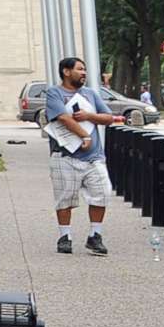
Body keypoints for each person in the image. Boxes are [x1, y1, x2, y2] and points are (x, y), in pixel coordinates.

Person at [44, 56, 125, 254]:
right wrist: (84, 135)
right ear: (66, 71)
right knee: (65, 198)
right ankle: (65, 236)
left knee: (102, 193)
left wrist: (89, 116)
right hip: (64, 157)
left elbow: (107, 118)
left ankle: (94, 236)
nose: (84, 73)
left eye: (85, 70)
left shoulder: (90, 94)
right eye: (80, 69)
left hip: (93, 157)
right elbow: (62, 117)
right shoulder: (55, 93)